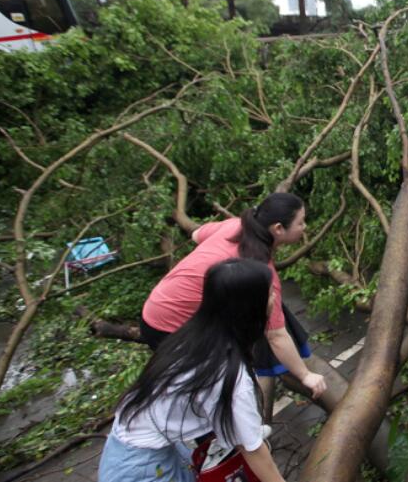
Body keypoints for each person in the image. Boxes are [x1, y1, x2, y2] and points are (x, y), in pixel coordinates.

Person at [99, 258, 288, 482]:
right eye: (268, 294)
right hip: (142, 467)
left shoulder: (194, 336)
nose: (274, 297)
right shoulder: (230, 375)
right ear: (250, 308)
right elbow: (253, 450)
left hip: (128, 446)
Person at [141, 193, 327, 400]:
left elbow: (197, 235)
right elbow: (276, 336)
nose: (305, 227)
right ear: (278, 229)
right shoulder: (260, 272)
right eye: (300, 222)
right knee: (223, 378)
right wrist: (305, 375)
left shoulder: (234, 225)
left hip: (155, 302)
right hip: (169, 330)